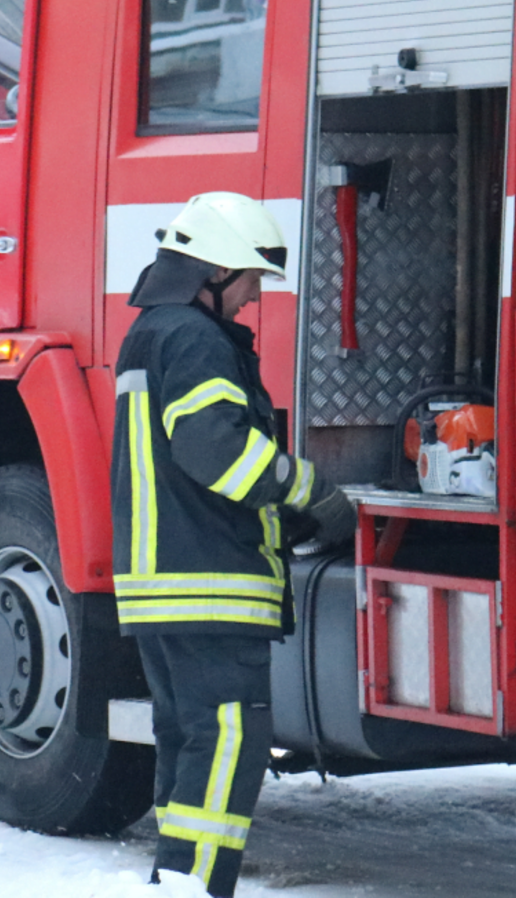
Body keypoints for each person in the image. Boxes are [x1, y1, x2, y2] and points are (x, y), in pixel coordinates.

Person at [110, 191, 357, 896]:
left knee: (189, 741)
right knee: (228, 740)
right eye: (248, 277)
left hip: (165, 585)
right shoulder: (194, 339)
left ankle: (176, 878)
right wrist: (306, 489)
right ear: (212, 271)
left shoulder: (153, 334)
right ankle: (194, 884)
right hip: (208, 581)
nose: (253, 296)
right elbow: (216, 448)